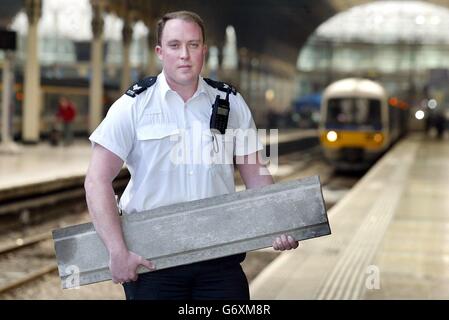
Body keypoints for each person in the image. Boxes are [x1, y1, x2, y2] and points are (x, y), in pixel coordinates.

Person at [84, 10, 299, 300]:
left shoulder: (230, 103)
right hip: (153, 262)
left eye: (193, 45)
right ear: (160, 51)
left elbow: (256, 173)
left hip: (220, 262)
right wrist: (117, 252)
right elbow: (96, 181)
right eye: (174, 45)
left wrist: (276, 222)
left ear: (204, 51)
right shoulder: (133, 106)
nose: (184, 54)